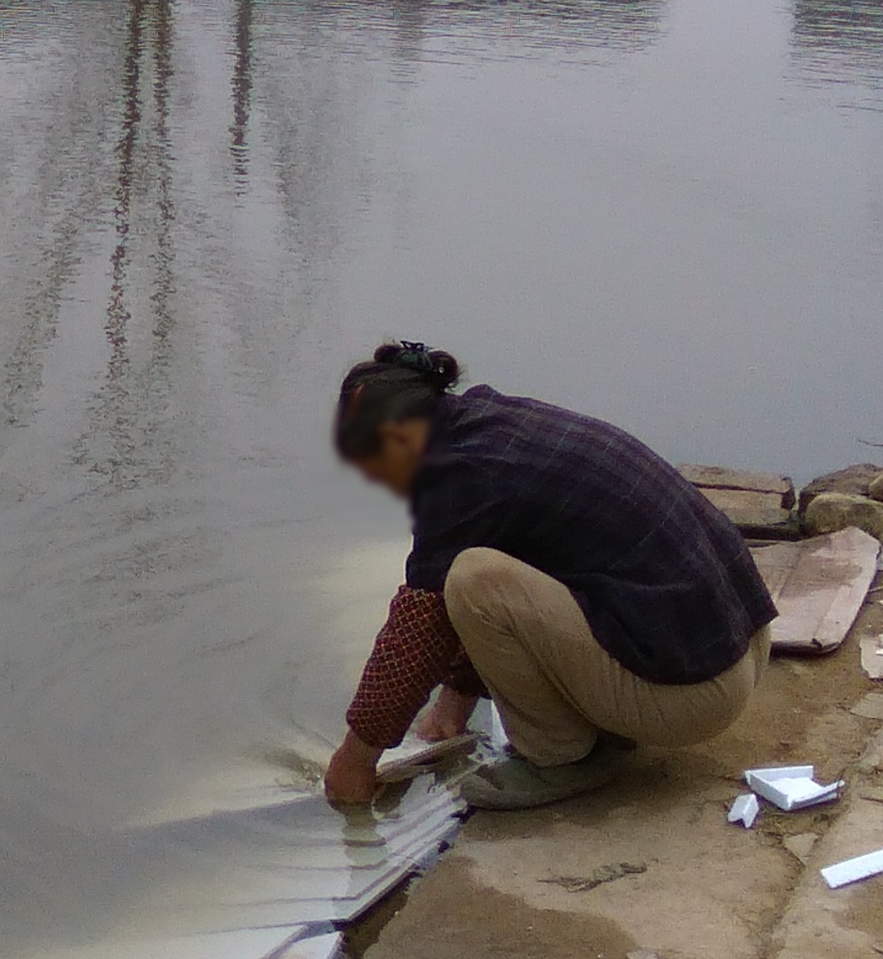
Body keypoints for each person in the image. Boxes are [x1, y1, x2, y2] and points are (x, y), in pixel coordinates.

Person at [321, 342, 777, 811]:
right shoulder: (486, 418)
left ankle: (560, 757)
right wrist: (452, 706)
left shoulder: (454, 479)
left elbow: (418, 633)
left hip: (695, 696)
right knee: (484, 572)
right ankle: (597, 721)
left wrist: (355, 760)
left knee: (472, 579)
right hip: (743, 643)